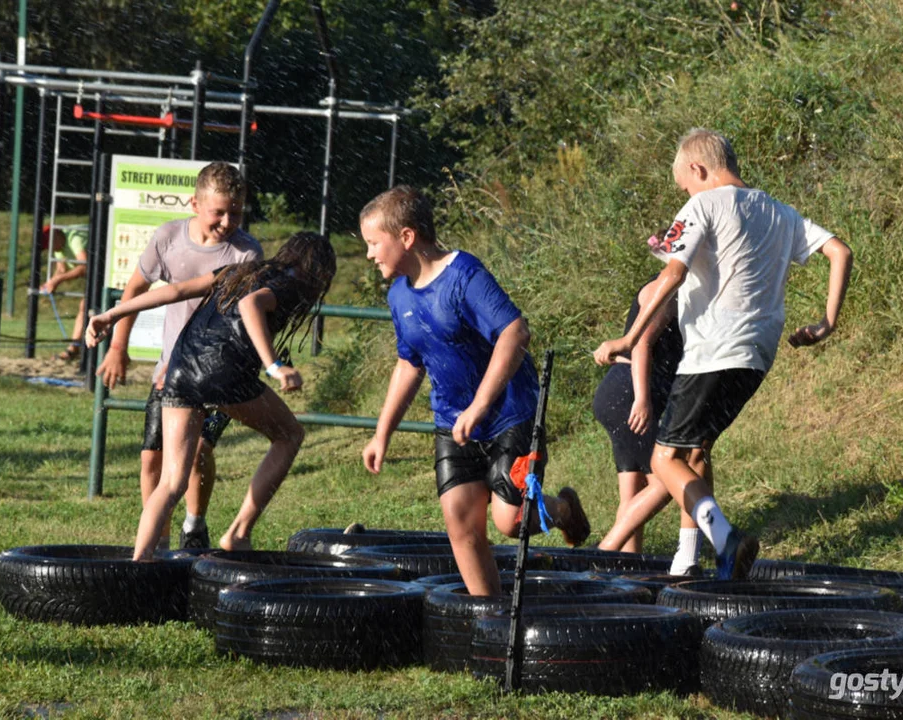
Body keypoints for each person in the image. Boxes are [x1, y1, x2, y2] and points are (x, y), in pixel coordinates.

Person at [594, 128, 853, 580]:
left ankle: (726, 539)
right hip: (757, 354)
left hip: (713, 350)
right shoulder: (779, 211)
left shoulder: (701, 204)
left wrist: (630, 338)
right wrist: (826, 322)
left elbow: (672, 274)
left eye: (685, 185)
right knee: (696, 452)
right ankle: (689, 559)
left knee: (664, 460)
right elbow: (839, 251)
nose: (686, 194)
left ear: (697, 169)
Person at [359, 185, 591, 597]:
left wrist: (481, 405)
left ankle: (562, 509)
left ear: (407, 237)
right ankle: (490, 619)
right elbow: (408, 364)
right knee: (462, 526)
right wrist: (382, 433)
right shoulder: (398, 295)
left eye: (375, 243)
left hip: (508, 414)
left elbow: (515, 332)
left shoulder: (465, 275)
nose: (370, 254)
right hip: (453, 422)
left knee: (511, 521)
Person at [86, 231, 336, 560]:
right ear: (319, 271)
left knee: (171, 482)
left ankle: (140, 564)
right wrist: (274, 365)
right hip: (224, 374)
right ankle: (238, 533)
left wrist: (113, 313)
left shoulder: (238, 272)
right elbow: (252, 304)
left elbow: (174, 291)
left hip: (179, 370)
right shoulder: (291, 283)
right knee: (289, 434)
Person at [95, 162, 263, 550]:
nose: (227, 221)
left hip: (220, 368)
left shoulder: (246, 253)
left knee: (197, 451)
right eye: (218, 212)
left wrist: (194, 362)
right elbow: (136, 289)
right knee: (151, 458)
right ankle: (159, 538)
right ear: (195, 204)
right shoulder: (168, 237)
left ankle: (194, 525)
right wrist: (118, 346)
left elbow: (230, 320)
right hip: (169, 367)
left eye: (235, 212)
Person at [592, 276, 683, 556]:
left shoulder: (660, 287)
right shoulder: (669, 292)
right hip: (630, 394)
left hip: (619, 391)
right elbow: (642, 343)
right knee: (667, 481)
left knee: (633, 488)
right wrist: (642, 399)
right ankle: (606, 551)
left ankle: (628, 566)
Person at [39, 224, 89, 362]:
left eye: (50, 245)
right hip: (95, 277)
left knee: (85, 306)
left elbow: (84, 267)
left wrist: (58, 280)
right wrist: (50, 283)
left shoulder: (75, 239)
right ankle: (75, 348)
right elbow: (61, 269)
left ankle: (74, 348)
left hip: (105, 272)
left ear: (55, 236)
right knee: (85, 307)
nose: (51, 250)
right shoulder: (59, 244)